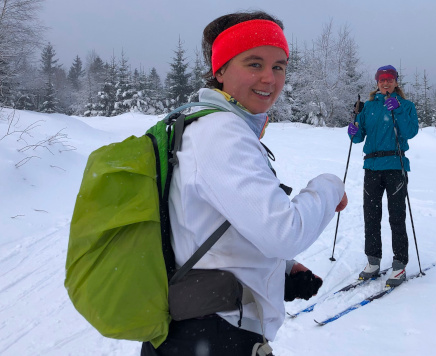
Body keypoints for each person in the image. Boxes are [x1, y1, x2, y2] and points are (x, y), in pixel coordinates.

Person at [141, 11, 348, 356]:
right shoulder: (221, 132)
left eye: (279, 66)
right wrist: (329, 186)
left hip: (196, 329)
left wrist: (280, 270)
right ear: (220, 70)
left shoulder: (196, 124)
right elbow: (285, 232)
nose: (270, 78)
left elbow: (202, 222)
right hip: (215, 336)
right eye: (254, 63)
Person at [347, 65, 418, 287]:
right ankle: (373, 261)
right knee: (371, 216)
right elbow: (359, 139)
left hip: (396, 165)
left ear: (396, 82)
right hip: (371, 167)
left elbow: (410, 132)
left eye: (389, 79)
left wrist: (397, 110)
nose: (385, 83)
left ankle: (399, 265)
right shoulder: (368, 107)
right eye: (381, 80)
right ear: (377, 83)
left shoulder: (406, 105)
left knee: (396, 216)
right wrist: (354, 130)